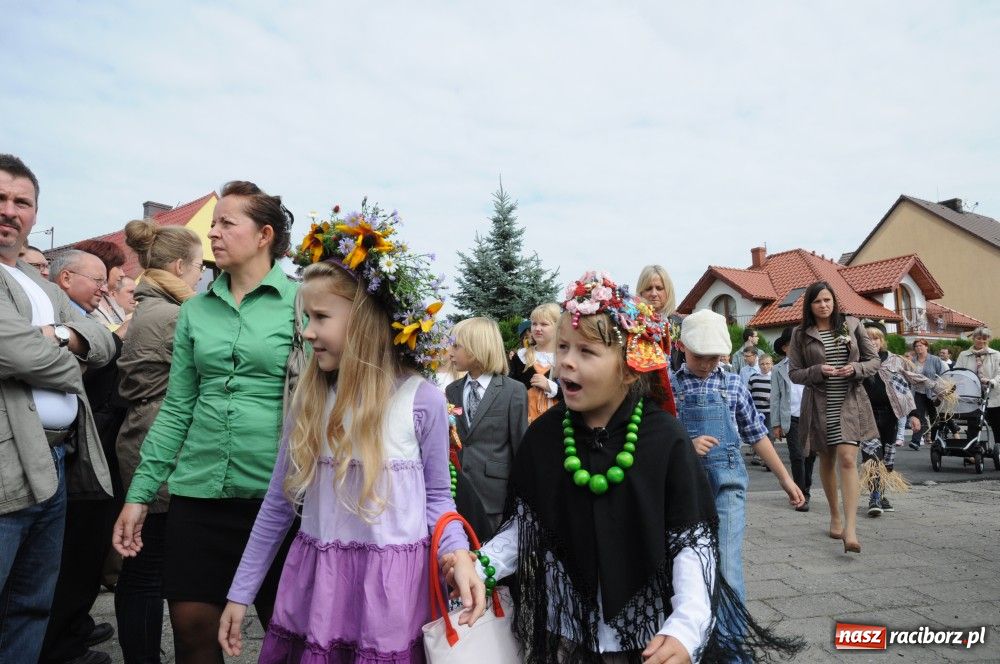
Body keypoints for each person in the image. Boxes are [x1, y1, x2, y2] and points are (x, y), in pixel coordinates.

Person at [451, 271, 802, 663]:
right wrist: (479, 566)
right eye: (563, 347)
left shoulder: (664, 439)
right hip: (568, 631)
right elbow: (528, 526)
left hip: (647, 639)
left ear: (629, 369)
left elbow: (690, 541)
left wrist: (686, 624)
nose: (566, 362)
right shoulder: (546, 437)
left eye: (586, 352)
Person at [220, 203, 485, 662]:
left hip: (390, 598)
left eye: (320, 318)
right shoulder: (310, 400)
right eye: (304, 319)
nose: (306, 333)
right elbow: (279, 504)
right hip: (317, 589)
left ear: (363, 320)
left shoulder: (419, 401)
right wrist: (241, 592)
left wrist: (458, 555)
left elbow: (439, 499)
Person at [113, 180, 298, 663]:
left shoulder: (301, 304)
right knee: (193, 632)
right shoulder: (194, 310)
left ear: (264, 235)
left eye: (225, 223)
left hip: (278, 498)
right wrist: (139, 494)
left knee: (288, 635)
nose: (213, 232)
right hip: (198, 493)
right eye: (213, 223)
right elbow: (177, 408)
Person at [0, 154, 115, 664]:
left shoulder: (41, 284)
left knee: (31, 607)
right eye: (0, 198)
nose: (10, 210)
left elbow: (106, 341)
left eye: (21, 202)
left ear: (34, 212)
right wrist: (74, 356)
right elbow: (14, 351)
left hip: (58, 463)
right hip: (7, 460)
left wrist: (55, 337)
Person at [672, 309, 804, 645]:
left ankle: (732, 647)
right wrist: (684, 444)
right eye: (700, 356)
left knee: (728, 565)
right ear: (681, 347)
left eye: (714, 357)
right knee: (686, 568)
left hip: (728, 487)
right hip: (683, 490)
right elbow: (654, 439)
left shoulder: (733, 382)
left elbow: (756, 434)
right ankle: (694, 641)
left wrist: (785, 479)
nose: (707, 363)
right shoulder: (669, 387)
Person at [113, 219, 203, 663]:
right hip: (158, 441)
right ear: (180, 265)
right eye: (199, 266)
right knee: (147, 570)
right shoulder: (173, 315)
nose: (201, 276)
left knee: (146, 566)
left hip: (143, 435)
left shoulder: (148, 307)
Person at [44, 249, 126, 664]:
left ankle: (74, 626)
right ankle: (61, 643)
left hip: (96, 443)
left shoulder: (88, 317)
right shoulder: (65, 320)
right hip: (79, 450)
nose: (104, 288)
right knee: (73, 552)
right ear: (66, 279)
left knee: (86, 549)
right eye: (96, 280)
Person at [787, 281, 880, 554]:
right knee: (826, 459)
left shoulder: (852, 324)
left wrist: (855, 368)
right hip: (819, 403)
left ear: (834, 301)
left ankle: (851, 528)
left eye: (827, 300)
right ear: (810, 305)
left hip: (850, 400)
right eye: (818, 301)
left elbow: (874, 361)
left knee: (849, 459)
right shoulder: (800, 334)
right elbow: (794, 373)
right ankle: (835, 515)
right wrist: (817, 370)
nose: (824, 305)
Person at [446, 317, 528, 527]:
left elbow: (520, 447)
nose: (450, 352)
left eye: (456, 345)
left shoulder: (513, 391)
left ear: (477, 348)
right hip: (458, 494)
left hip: (494, 497)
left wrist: (521, 499)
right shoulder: (452, 390)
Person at [861, 324, 945, 517]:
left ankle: (881, 495)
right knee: (872, 456)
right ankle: (874, 497)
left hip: (891, 415)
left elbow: (907, 388)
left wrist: (914, 414)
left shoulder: (894, 361)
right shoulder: (858, 361)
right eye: (868, 338)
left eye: (876, 338)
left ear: (882, 341)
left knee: (888, 458)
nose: (872, 342)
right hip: (866, 415)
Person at [771, 327, 813, 512]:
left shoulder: (810, 364)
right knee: (797, 456)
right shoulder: (778, 369)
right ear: (785, 348)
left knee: (810, 456)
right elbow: (775, 397)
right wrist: (776, 423)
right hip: (791, 418)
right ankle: (800, 494)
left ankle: (807, 488)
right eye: (791, 344)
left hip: (810, 415)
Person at [509, 302, 561, 422]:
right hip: (525, 423)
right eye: (534, 324)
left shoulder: (564, 358)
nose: (537, 328)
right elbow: (511, 390)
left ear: (557, 327)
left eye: (544, 324)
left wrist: (550, 387)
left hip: (556, 424)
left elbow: (576, 394)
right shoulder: (521, 357)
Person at [954, 327, 1000, 445]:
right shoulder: (964, 355)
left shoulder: (996, 355)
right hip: (972, 395)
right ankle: (972, 452)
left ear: (988, 339)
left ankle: (998, 450)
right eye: (979, 338)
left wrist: (992, 381)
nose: (982, 341)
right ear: (973, 339)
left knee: (997, 424)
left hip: (993, 394)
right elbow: (958, 372)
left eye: (985, 339)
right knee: (973, 424)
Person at [75, 239, 128, 331]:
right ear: (102, 266)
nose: (122, 274)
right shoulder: (80, 304)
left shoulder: (112, 299)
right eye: (118, 267)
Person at [908, 338, 947, 450]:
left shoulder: (935, 359)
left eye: (921, 345)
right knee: (918, 416)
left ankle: (936, 440)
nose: (918, 348)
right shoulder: (913, 361)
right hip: (918, 392)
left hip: (933, 392)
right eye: (916, 346)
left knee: (934, 417)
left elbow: (942, 375)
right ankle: (915, 441)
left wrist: (941, 390)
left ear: (926, 347)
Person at [747, 354, 773, 470]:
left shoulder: (774, 378)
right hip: (757, 412)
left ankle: (769, 462)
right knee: (759, 435)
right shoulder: (753, 378)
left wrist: (772, 398)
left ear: (772, 364)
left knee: (770, 435)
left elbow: (779, 394)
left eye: (767, 363)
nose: (765, 366)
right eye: (762, 364)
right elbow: (747, 394)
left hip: (770, 411)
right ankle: (759, 456)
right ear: (759, 365)